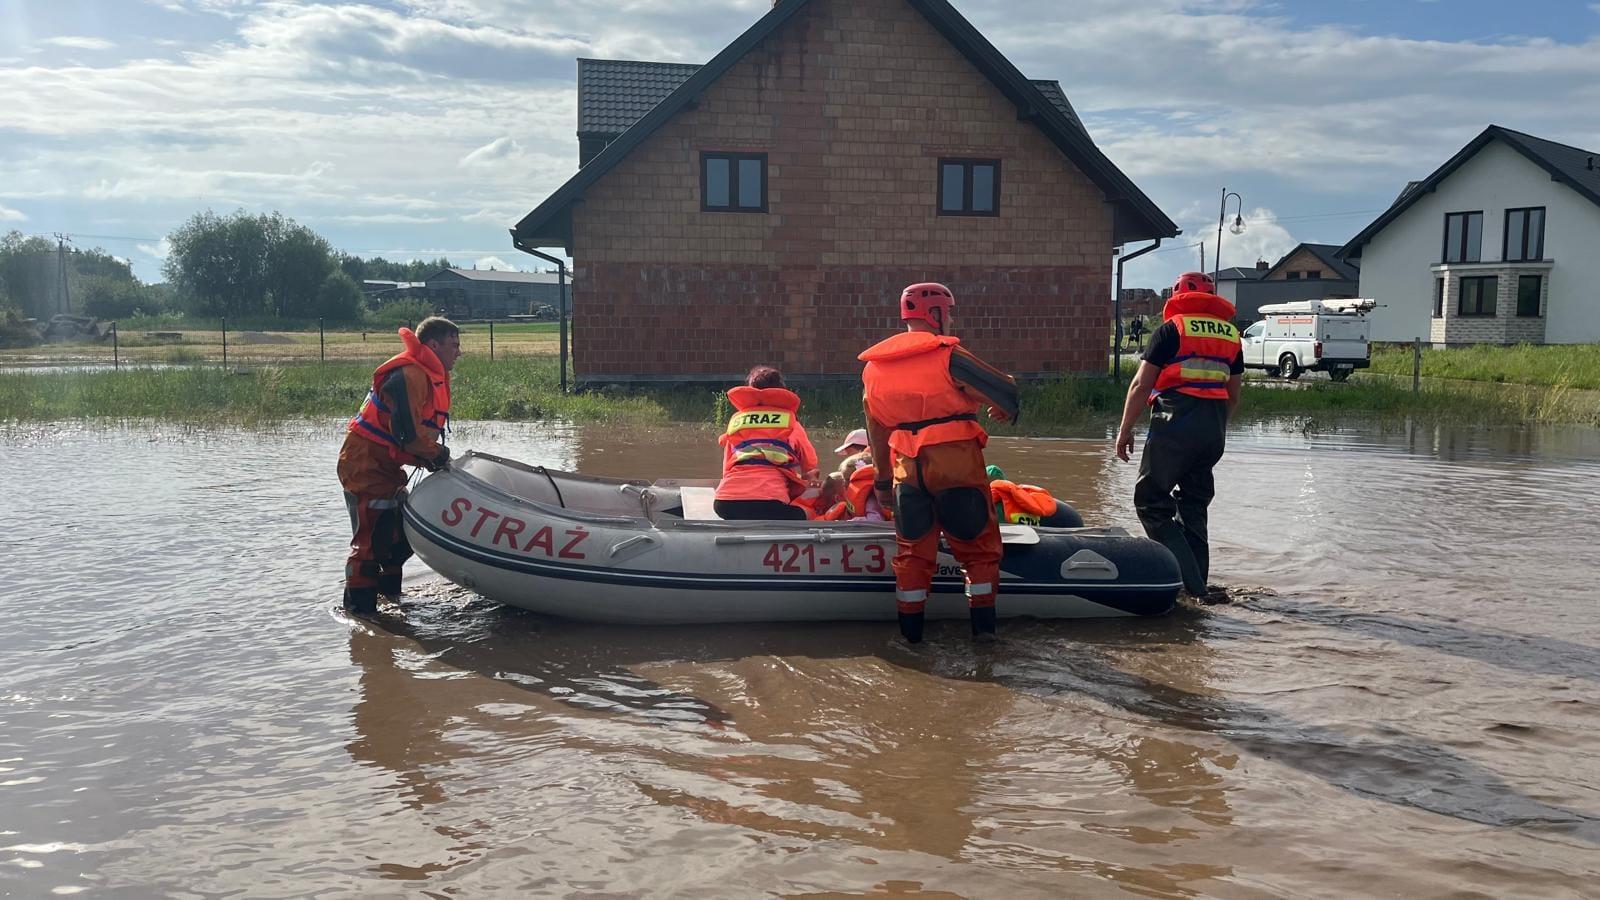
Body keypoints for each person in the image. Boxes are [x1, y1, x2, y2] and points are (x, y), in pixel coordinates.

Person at [859, 282, 1018, 642]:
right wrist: (1004, 409)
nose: (951, 320)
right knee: (978, 552)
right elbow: (1006, 390)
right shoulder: (949, 355)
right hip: (954, 464)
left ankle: (911, 640)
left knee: (912, 555)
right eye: (949, 314)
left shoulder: (873, 370)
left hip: (906, 471)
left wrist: (882, 482)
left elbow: (876, 430)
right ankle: (985, 641)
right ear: (936, 314)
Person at [1114, 272, 1242, 600]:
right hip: (1213, 427)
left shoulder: (1172, 329)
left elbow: (1141, 385)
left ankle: (1191, 586)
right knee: (1194, 506)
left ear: (1177, 296)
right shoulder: (1231, 335)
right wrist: (1214, 427)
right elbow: (1234, 395)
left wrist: (1125, 429)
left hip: (1175, 422)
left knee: (1151, 503)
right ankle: (1200, 585)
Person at [337, 316, 461, 615]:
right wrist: (438, 455)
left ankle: (391, 601)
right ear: (434, 345)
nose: (459, 352)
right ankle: (361, 615)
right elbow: (407, 436)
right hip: (364, 464)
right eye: (454, 345)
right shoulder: (410, 374)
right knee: (369, 543)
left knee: (398, 539)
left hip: (389, 467)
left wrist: (432, 457)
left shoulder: (427, 375)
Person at [714, 365, 820, 521]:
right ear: (781, 390)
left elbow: (726, 468)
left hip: (725, 503)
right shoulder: (790, 422)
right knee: (809, 513)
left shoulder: (737, 421)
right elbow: (810, 464)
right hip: (770, 503)